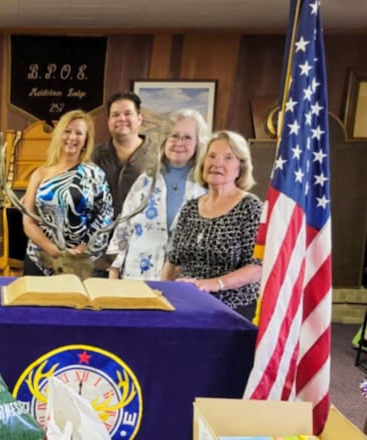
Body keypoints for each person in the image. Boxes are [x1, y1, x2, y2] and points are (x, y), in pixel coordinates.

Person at [161, 130, 263, 319]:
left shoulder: (250, 206)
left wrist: (214, 283)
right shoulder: (190, 208)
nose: (217, 163)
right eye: (212, 156)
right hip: (186, 304)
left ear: (240, 167)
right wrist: (163, 294)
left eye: (228, 158)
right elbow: (173, 262)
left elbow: (256, 267)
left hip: (231, 308)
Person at [107, 109, 210, 280]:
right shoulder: (146, 180)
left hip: (182, 281)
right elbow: (123, 227)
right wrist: (113, 272)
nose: (179, 142)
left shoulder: (205, 186)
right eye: (174, 136)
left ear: (198, 143)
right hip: (137, 277)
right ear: (164, 141)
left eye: (187, 137)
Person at [22, 109, 114, 276]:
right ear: (59, 135)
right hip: (40, 259)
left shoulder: (95, 174)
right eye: (67, 131)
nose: (72, 138)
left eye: (79, 133)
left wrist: (82, 249)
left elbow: (105, 216)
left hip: (80, 263)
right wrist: (53, 250)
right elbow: (28, 222)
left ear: (86, 140)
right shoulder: (39, 174)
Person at [92, 91, 158, 218]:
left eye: (128, 113)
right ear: (109, 121)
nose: (121, 119)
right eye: (115, 115)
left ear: (139, 118)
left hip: (141, 232)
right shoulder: (93, 154)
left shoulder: (158, 155)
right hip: (101, 233)